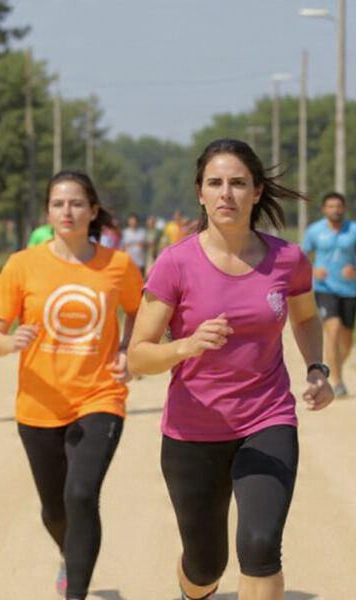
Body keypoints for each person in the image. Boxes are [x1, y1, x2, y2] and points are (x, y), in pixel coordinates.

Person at [128, 139, 333, 600]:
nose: (227, 193)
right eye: (215, 183)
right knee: (205, 566)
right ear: (199, 193)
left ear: (256, 192)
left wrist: (316, 368)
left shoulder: (288, 259)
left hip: (267, 418)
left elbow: (305, 318)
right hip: (193, 429)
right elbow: (138, 355)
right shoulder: (175, 263)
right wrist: (186, 345)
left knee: (260, 545)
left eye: (238, 183)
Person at [0, 170, 142, 600]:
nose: (67, 211)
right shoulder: (22, 264)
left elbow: (140, 312)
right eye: (58, 204)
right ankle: (70, 555)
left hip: (100, 395)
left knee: (82, 494)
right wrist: (9, 342)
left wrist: (128, 349)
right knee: (55, 509)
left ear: (92, 211)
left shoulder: (119, 265)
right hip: (39, 403)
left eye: (76, 203)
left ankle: (76, 593)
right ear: (48, 212)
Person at [301, 191, 356, 397]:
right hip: (324, 288)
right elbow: (302, 256)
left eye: (338, 206)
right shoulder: (315, 231)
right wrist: (313, 270)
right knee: (333, 329)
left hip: (349, 289)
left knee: (347, 340)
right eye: (331, 206)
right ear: (324, 209)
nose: (335, 210)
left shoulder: (353, 230)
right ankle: (338, 381)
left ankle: (337, 365)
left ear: (344, 208)